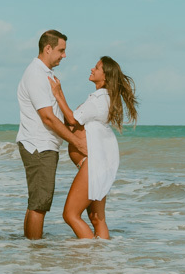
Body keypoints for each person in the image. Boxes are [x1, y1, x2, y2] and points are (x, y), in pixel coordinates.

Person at [48, 55, 138, 239]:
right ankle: (101, 259)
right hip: (100, 163)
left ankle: (89, 255)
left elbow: (72, 119)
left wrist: (58, 94)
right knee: (97, 218)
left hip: (94, 164)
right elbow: (72, 120)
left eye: (97, 68)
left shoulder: (98, 99)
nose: (92, 69)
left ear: (105, 77)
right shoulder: (105, 98)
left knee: (70, 215)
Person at [16, 30, 89, 240]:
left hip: (42, 144)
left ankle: (30, 251)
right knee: (40, 205)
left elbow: (57, 114)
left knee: (36, 203)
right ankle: (36, 256)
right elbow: (47, 117)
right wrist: (76, 142)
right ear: (48, 48)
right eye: (61, 50)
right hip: (38, 145)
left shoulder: (46, 74)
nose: (64, 55)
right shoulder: (36, 75)